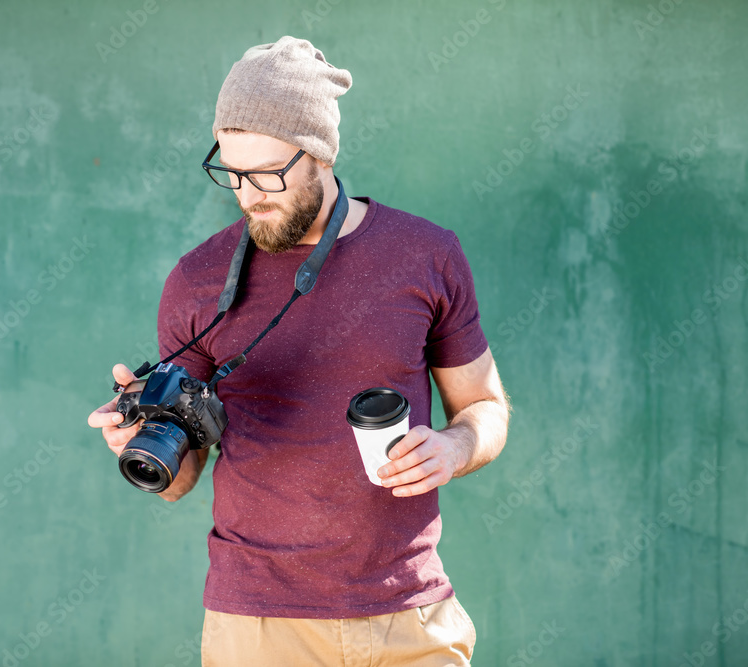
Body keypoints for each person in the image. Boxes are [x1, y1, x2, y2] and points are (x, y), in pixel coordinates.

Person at [88, 35, 511, 667]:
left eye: (267, 174)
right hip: (255, 625)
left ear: (319, 155)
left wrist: (453, 447)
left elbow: (485, 406)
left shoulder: (427, 255)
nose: (248, 194)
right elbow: (181, 482)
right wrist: (138, 442)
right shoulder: (196, 280)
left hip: (409, 612)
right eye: (231, 174)